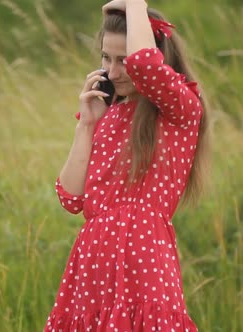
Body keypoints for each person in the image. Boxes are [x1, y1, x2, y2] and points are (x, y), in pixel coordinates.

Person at [45, 0, 209, 331]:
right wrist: (87, 125)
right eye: (106, 58)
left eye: (124, 60)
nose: (114, 70)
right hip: (93, 265)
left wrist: (135, 5)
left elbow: (145, 64)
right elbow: (71, 197)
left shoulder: (178, 110)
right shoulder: (109, 115)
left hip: (142, 257)